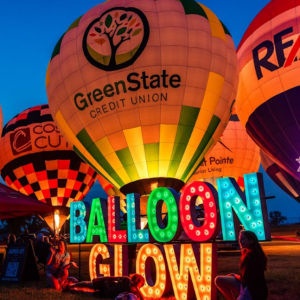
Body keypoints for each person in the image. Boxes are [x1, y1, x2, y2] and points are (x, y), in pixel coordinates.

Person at [215, 230, 268, 300]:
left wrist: (235, 275)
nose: (240, 241)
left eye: (243, 239)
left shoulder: (251, 256)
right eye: (239, 239)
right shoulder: (251, 252)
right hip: (250, 287)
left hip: (253, 291)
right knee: (218, 280)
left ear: (251, 241)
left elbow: (245, 279)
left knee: (219, 280)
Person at [70, 273, 146, 300]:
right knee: (89, 284)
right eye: (131, 281)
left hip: (107, 294)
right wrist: (99, 278)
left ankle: (72, 290)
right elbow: (113, 278)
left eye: (133, 284)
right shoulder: (126, 279)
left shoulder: (134, 294)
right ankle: (73, 285)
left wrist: (137, 289)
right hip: (105, 285)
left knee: (89, 294)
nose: (130, 283)